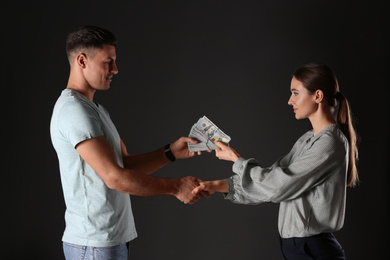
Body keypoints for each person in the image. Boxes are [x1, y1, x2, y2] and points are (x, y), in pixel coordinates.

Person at [50, 25, 207, 260]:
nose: (115, 69)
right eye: (108, 62)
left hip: (109, 241)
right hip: (93, 244)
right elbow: (114, 177)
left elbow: (125, 165)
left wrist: (170, 152)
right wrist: (175, 187)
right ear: (82, 61)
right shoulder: (75, 111)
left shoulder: (95, 110)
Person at [193, 63, 359, 259]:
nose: (290, 101)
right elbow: (270, 180)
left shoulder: (330, 143)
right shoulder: (308, 139)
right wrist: (216, 185)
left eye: (296, 93)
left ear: (318, 96)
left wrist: (236, 159)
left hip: (313, 250)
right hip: (299, 249)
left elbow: (277, 186)